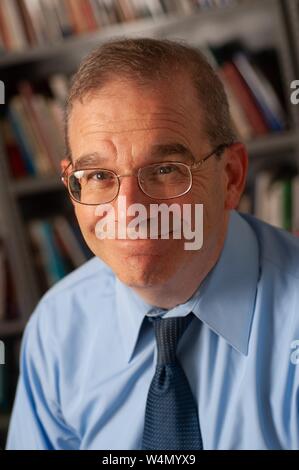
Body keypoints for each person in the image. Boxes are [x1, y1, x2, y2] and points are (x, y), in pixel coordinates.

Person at [6, 38, 299, 450]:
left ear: (231, 176)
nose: (129, 210)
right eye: (98, 176)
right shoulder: (57, 328)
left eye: (165, 169)